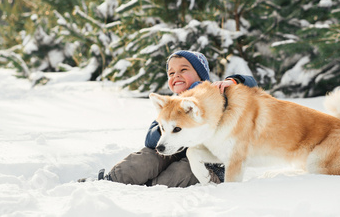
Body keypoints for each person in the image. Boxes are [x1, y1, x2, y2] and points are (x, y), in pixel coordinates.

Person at [80, 50, 257, 187]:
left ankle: (151, 189)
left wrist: (233, 81)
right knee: (144, 160)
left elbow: (251, 85)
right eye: (171, 73)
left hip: (207, 161)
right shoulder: (171, 104)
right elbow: (150, 140)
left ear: (201, 75)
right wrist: (165, 129)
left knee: (180, 173)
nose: (176, 75)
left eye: (183, 70)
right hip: (172, 151)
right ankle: (110, 181)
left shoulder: (214, 94)